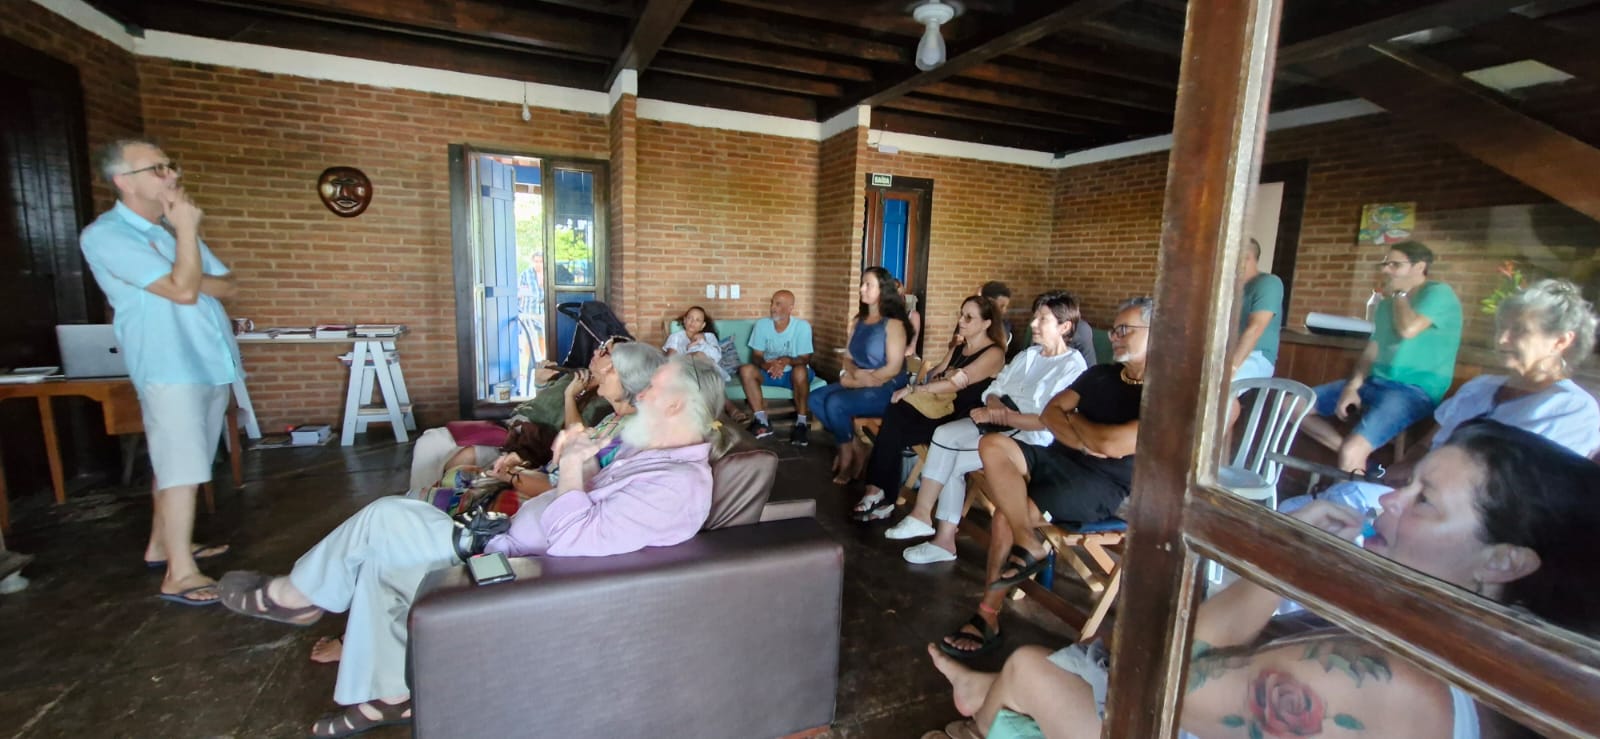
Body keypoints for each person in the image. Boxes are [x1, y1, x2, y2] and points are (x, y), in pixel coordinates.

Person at [925, 420, 1600, 739]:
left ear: (1504, 561)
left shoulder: (1388, 682)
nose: (1389, 499)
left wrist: (1281, 567)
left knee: (1033, 665)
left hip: (1144, 717)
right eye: (1407, 481)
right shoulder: (1468, 654)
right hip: (1174, 703)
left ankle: (986, 707)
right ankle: (988, 696)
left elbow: (1150, 678)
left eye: (1425, 500)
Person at [217, 354, 735, 738]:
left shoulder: (676, 486)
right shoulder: (652, 456)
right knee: (385, 556)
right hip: (506, 544)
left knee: (383, 521)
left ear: (675, 403)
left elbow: (574, 537)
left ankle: (298, 596)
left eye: (654, 388)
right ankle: (390, 697)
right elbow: (595, 511)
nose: (641, 395)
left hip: (520, 572)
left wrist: (573, 468)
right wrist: (581, 461)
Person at [939, 297, 1150, 658]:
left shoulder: (1161, 394)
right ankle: (1030, 542)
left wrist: (1079, 425)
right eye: (1114, 329)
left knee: (1006, 513)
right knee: (993, 444)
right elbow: (1052, 412)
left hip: (1103, 483)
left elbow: (1111, 445)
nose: (1114, 336)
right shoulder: (1101, 375)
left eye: (1124, 330)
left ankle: (987, 615)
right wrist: (1085, 436)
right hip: (1061, 457)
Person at [79, 138, 240, 605]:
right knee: (179, 465)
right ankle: (179, 573)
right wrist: (187, 234)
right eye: (158, 169)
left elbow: (227, 285)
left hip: (207, 358)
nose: (171, 176)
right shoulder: (107, 234)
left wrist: (184, 271)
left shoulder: (165, 233)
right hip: (169, 362)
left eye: (171, 165)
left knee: (182, 461)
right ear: (123, 182)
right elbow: (185, 291)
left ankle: (161, 544)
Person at [1287, 278, 1600, 516]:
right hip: (1417, 499)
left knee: (1332, 511)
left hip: (1463, 523)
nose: (1502, 339)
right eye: (1501, 329)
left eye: (1519, 330)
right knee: (1301, 509)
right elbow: (1427, 444)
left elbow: (1524, 499)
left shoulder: (1571, 410)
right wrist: (1407, 465)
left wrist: (1423, 490)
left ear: (1561, 340)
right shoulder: (1481, 388)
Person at [884, 292, 1090, 563]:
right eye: (1035, 318)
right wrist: (994, 406)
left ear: (1065, 327)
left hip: (1030, 440)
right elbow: (996, 387)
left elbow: (1046, 420)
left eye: (1043, 319)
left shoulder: (1072, 366)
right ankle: (932, 528)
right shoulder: (1028, 355)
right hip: (999, 423)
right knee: (944, 437)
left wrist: (1002, 415)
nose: (1033, 325)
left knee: (950, 450)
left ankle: (934, 529)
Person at [1301, 241, 1462, 474]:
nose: (1386, 270)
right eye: (1385, 264)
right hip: (1374, 382)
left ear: (1419, 267)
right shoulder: (1386, 305)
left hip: (1414, 390)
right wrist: (1352, 387)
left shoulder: (1438, 293)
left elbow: (1408, 329)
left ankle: (1352, 473)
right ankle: (1365, 462)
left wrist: (1399, 294)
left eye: (1394, 265)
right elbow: (1372, 349)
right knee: (1290, 406)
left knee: (1352, 450)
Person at [404, 337, 625, 497]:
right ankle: (421, 499)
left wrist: (570, 397)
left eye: (605, 351)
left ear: (618, 366)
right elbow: (542, 405)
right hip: (511, 426)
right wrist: (539, 382)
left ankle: (428, 502)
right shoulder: (573, 377)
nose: (596, 352)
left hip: (531, 442)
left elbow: (574, 435)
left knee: (443, 449)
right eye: (599, 347)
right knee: (430, 441)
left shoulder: (605, 399)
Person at [852, 296, 1008, 521]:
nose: (961, 321)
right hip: (937, 407)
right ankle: (880, 493)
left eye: (969, 317)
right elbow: (937, 374)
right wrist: (945, 362)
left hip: (958, 415)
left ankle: (878, 491)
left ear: (986, 324)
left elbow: (955, 384)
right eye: (961, 314)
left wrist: (915, 389)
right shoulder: (960, 347)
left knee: (892, 428)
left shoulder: (994, 353)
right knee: (895, 413)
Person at [810, 267, 912, 485]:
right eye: (862, 283)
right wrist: (855, 375)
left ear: (882, 290)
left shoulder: (894, 324)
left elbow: (894, 367)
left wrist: (866, 380)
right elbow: (847, 357)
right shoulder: (858, 321)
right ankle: (856, 446)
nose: (861, 289)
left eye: (868, 285)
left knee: (836, 403)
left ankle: (846, 456)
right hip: (860, 382)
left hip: (887, 387)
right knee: (816, 398)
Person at [739, 290, 816, 445]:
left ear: (790, 308)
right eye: (772, 303)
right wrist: (768, 365)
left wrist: (786, 361)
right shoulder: (762, 324)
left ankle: (801, 424)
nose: (773, 307)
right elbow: (756, 356)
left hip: (792, 374)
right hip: (768, 371)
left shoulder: (802, 327)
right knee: (745, 370)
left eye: (779, 304)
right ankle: (762, 422)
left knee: (801, 371)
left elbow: (805, 358)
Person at [663, 305, 724, 376]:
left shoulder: (709, 336)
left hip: (707, 373)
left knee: (700, 355)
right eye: (690, 318)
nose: (692, 322)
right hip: (684, 372)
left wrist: (703, 341)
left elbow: (717, 357)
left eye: (697, 320)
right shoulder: (675, 337)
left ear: (703, 325)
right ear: (685, 320)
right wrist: (691, 356)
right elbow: (670, 360)